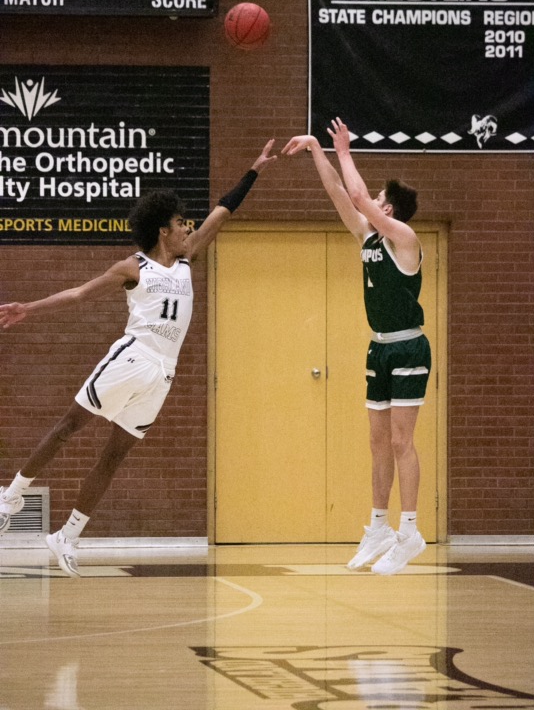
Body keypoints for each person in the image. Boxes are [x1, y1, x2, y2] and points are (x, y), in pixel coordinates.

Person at [0, 140, 277, 577]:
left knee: (115, 454)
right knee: (68, 428)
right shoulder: (133, 267)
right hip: (133, 356)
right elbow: (78, 294)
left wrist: (254, 169)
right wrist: (27, 308)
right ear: (162, 230)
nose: (187, 227)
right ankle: (11, 495)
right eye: (180, 222)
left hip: (163, 373)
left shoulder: (187, 257)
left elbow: (223, 212)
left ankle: (67, 536)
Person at [283, 119, 431, 575]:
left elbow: (360, 198)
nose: (371, 205)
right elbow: (341, 196)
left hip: (408, 348)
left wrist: (344, 151)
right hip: (379, 349)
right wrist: (316, 150)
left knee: (403, 439)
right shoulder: (368, 238)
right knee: (377, 441)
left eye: (381, 202)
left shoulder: (405, 239)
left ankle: (410, 531)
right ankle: (379, 525)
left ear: (392, 210)